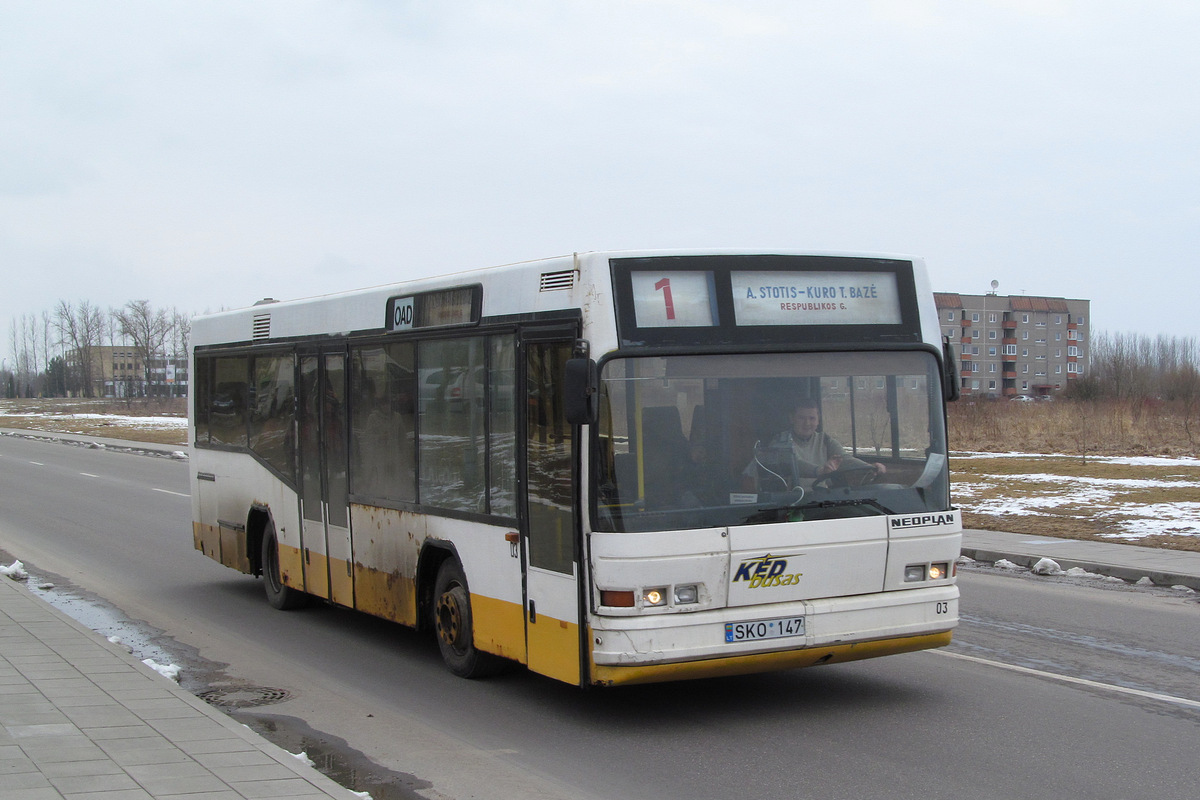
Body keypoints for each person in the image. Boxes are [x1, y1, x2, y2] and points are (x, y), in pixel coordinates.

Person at [742, 397, 885, 491]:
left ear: (818, 420)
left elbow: (843, 459)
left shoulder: (826, 441)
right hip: (792, 502)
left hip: (821, 499)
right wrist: (819, 471)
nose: (807, 423)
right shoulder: (780, 442)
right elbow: (792, 463)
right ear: (792, 419)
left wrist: (868, 467)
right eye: (802, 418)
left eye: (812, 418)